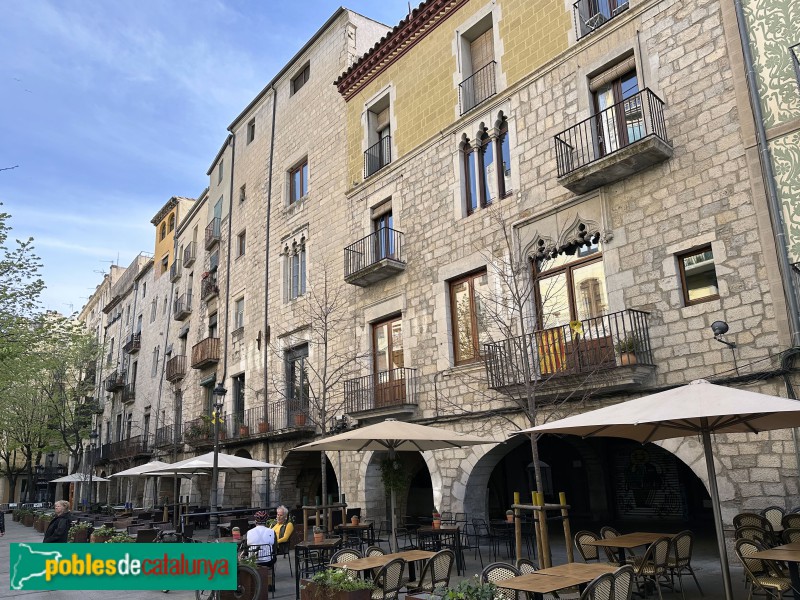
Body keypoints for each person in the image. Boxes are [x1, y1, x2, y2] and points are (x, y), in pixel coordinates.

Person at [243, 511, 277, 591]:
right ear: (266, 521)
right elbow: (275, 548)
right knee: (273, 556)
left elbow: (245, 549)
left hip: (253, 561)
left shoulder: (249, 533)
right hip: (268, 561)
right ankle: (271, 586)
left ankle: (252, 585)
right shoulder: (272, 532)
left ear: (255, 521)